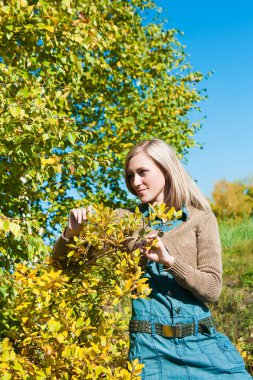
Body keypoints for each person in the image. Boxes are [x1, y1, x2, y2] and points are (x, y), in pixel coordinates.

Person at [52, 139, 251, 379]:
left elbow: (212, 289)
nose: (135, 182)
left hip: (203, 344)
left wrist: (170, 261)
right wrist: (71, 234)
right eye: (130, 176)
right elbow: (61, 269)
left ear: (166, 170)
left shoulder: (200, 218)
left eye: (142, 172)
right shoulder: (124, 222)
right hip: (150, 351)